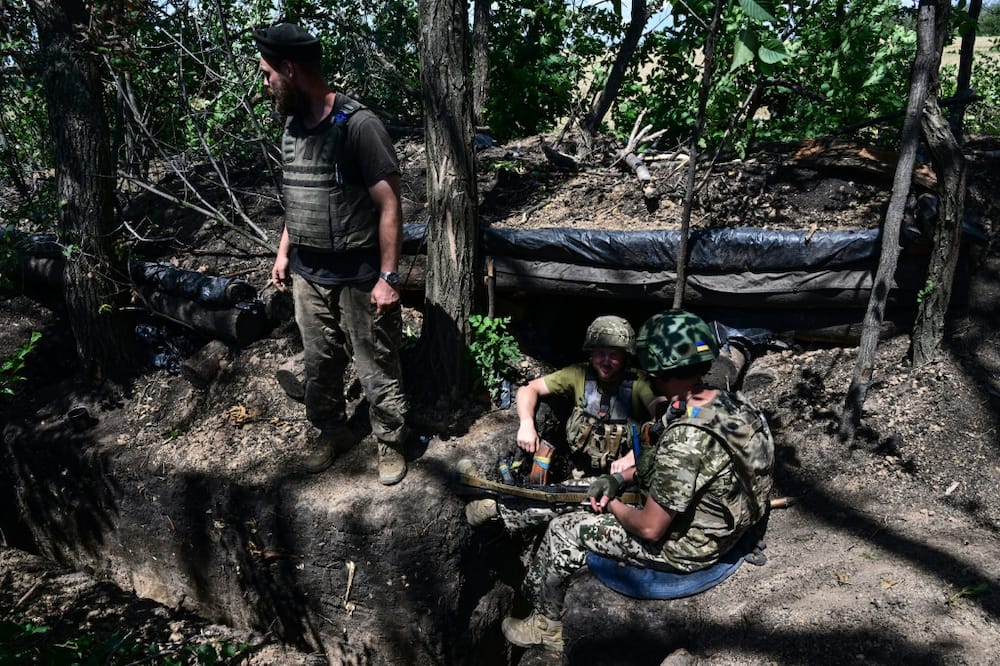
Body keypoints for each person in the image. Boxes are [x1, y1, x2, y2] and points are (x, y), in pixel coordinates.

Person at [501, 309, 775, 651]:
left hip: (690, 547)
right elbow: (668, 456)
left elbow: (649, 529)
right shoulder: (740, 405)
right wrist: (619, 480)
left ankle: (546, 626)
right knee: (577, 496)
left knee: (565, 529)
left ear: (658, 369)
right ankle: (509, 517)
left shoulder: (687, 437)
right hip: (729, 521)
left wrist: (611, 502)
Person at [254, 23, 409, 485]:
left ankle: (391, 442)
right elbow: (300, 197)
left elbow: (390, 206)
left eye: (267, 75)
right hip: (308, 272)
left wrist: (388, 277)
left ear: (289, 69)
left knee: (375, 362)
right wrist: (284, 251)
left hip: (359, 275)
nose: (265, 86)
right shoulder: (292, 124)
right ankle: (333, 432)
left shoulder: (359, 126)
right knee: (320, 364)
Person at [464, 315, 664, 527]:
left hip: (625, 481)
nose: (606, 361)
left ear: (625, 356)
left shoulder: (639, 383)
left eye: (613, 355)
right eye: (600, 354)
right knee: (559, 495)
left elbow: (662, 416)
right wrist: (526, 424)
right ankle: (489, 494)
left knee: (558, 500)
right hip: (580, 471)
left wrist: (634, 457)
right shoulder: (579, 375)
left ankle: (491, 508)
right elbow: (528, 389)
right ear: (591, 353)